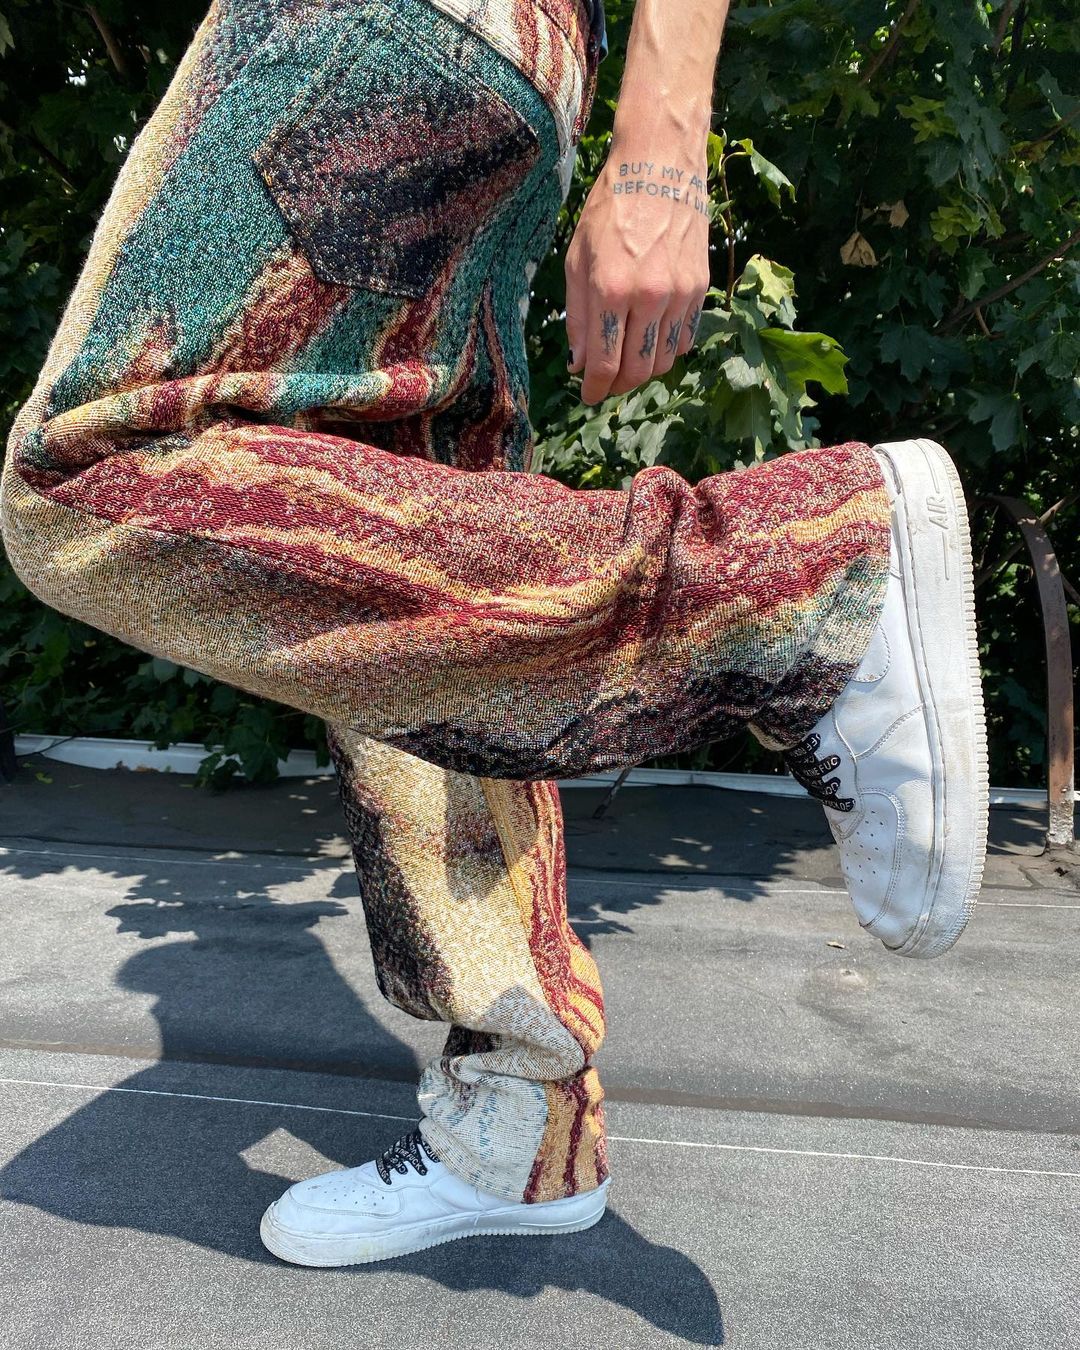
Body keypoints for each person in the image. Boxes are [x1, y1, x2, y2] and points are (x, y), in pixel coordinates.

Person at [0, 0, 987, 1267]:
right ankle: (523, 1122)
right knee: (414, 568)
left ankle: (796, 583)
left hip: (370, 27)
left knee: (82, 474)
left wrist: (663, 142)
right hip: (492, 57)